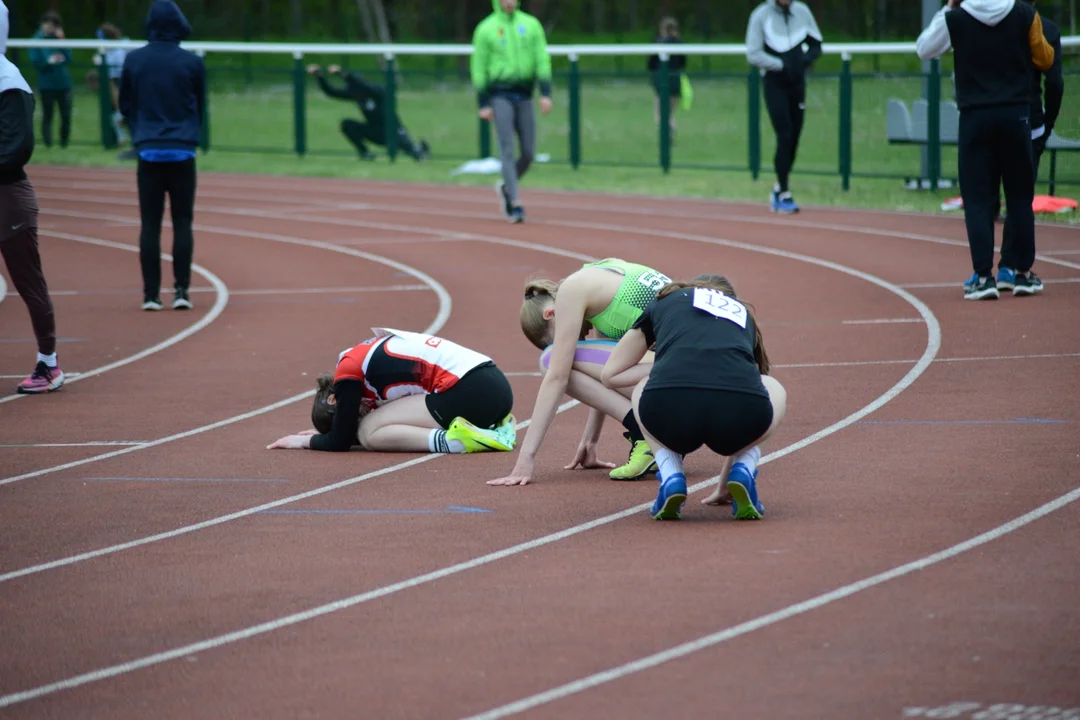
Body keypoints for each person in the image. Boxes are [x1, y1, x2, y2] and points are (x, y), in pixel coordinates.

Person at [601, 274, 788, 521]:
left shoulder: (665, 301)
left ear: (690, 287)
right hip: (739, 418)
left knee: (644, 386)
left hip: (670, 414)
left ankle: (671, 475)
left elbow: (611, 374)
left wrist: (667, 364)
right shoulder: (741, 312)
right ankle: (745, 467)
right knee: (771, 386)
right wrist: (725, 486)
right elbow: (747, 385)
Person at [487, 258, 675, 488]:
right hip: (688, 379)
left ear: (551, 314)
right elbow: (609, 371)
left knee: (550, 360)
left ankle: (643, 431)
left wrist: (525, 459)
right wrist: (590, 441)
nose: (579, 338)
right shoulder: (599, 275)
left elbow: (557, 377)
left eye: (568, 335)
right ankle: (645, 429)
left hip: (677, 381)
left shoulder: (572, 290)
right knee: (577, 362)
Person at [917, 0, 1055, 301]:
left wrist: (947, 9)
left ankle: (983, 277)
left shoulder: (955, 17)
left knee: (978, 199)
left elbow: (924, 48)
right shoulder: (1024, 14)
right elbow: (1045, 58)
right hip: (1016, 114)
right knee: (1020, 196)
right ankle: (1022, 274)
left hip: (975, 116)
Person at [267, 327, 517, 454]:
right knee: (374, 425)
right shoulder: (363, 360)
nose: (363, 411)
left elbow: (340, 442)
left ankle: (454, 443)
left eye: (354, 413)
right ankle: (487, 430)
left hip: (472, 391)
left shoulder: (348, 370)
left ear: (334, 398)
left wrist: (303, 441)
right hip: (492, 388)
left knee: (369, 432)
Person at [119, 0, 206, 312]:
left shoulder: (134, 60)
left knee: (149, 223)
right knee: (183, 221)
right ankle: (182, 290)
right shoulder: (192, 62)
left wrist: (141, 130)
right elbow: (201, 104)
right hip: (183, 150)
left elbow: (126, 104)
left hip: (148, 151)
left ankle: (151, 295)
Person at [1, 0, 63, 394]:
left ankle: (49, 364)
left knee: (28, 282)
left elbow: (16, 147)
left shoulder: (9, 79)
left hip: (7, 197)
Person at [994, 0, 1063, 295]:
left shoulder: (991, 27)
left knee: (985, 195)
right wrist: (1046, 125)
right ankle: (1017, 270)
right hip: (1028, 122)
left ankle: (991, 270)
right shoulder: (1046, 29)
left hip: (989, 117)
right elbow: (1056, 83)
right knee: (1021, 197)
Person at [470, 0, 553, 224]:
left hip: (525, 94)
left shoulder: (530, 24)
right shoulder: (486, 28)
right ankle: (515, 203)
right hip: (500, 95)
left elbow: (541, 57)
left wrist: (545, 92)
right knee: (506, 148)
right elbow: (479, 65)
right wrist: (483, 102)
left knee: (528, 151)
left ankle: (507, 186)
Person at [745, 0, 823, 214]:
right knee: (785, 133)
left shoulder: (802, 11)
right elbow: (753, 53)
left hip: (797, 84)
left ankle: (780, 185)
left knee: (795, 136)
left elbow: (816, 44)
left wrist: (803, 62)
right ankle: (784, 193)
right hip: (774, 83)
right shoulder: (760, 15)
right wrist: (780, 65)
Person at [306, 63, 430, 162]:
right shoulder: (357, 96)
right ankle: (365, 153)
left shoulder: (378, 92)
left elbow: (364, 84)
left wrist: (342, 73)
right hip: (374, 132)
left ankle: (420, 151)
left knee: (413, 153)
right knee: (347, 124)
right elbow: (331, 92)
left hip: (393, 131)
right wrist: (319, 76)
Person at [27, 10, 72, 149]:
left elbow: (69, 58)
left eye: (53, 25)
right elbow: (35, 62)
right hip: (46, 84)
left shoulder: (59, 39)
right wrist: (49, 61)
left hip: (63, 83)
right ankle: (48, 144)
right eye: (47, 24)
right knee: (47, 115)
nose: (49, 27)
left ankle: (64, 143)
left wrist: (62, 40)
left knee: (66, 115)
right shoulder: (36, 40)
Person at [96, 22, 136, 160]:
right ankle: (121, 139)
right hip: (122, 83)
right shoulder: (119, 47)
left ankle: (124, 140)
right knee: (118, 115)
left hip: (123, 83)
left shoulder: (117, 51)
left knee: (121, 115)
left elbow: (115, 75)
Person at [646, 17, 688, 143]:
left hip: (662, 82)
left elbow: (650, 63)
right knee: (669, 112)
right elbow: (683, 62)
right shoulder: (680, 43)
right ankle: (669, 133)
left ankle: (669, 131)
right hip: (675, 81)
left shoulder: (658, 43)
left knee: (660, 112)